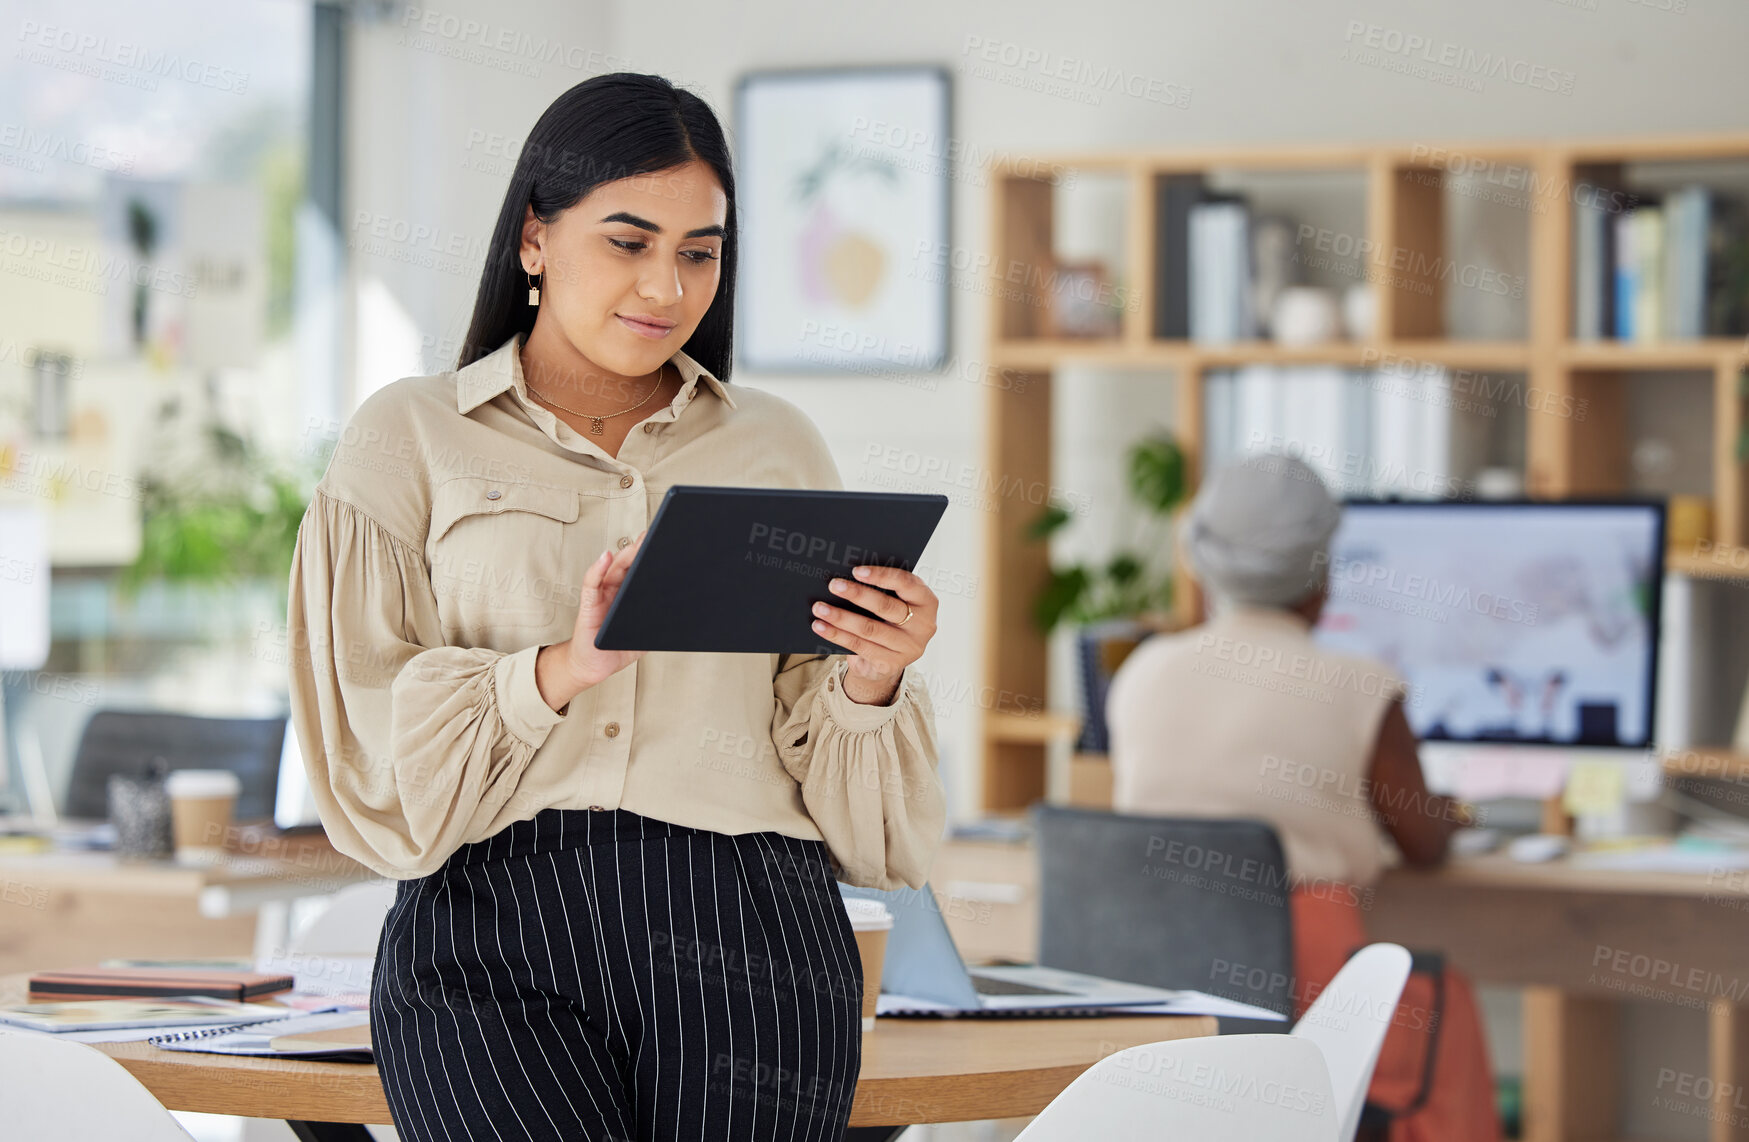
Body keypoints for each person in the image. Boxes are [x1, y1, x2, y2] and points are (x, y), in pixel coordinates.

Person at [284, 72, 946, 1142]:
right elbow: (361, 745)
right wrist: (553, 669)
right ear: (535, 239)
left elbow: (845, 785)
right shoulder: (405, 437)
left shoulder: (774, 446)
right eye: (628, 242)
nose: (668, 285)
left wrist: (875, 671)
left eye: (700, 251)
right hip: (486, 928)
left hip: (753, 929)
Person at [1104, 453, 1502, 1142]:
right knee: (1448, 1008)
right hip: (1305, 1007)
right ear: (1322, 572)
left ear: (1200, 560)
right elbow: (1423, 844)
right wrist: (1449, 810)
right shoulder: (1357, 685)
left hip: (1159, 1009)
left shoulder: (1141, 670)